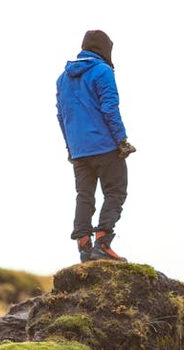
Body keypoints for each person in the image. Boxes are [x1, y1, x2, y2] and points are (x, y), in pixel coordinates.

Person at [56, 30, 136, 263]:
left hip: (79, 150)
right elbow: (110, 108)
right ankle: (103, 241)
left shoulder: (62, 78)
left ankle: (84, 247)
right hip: (104, 145)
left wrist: (71, 148)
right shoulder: (103, 71)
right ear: (104, 49)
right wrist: (121, 140)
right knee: (115, 191)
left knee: (84, 195)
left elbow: (62, 116)